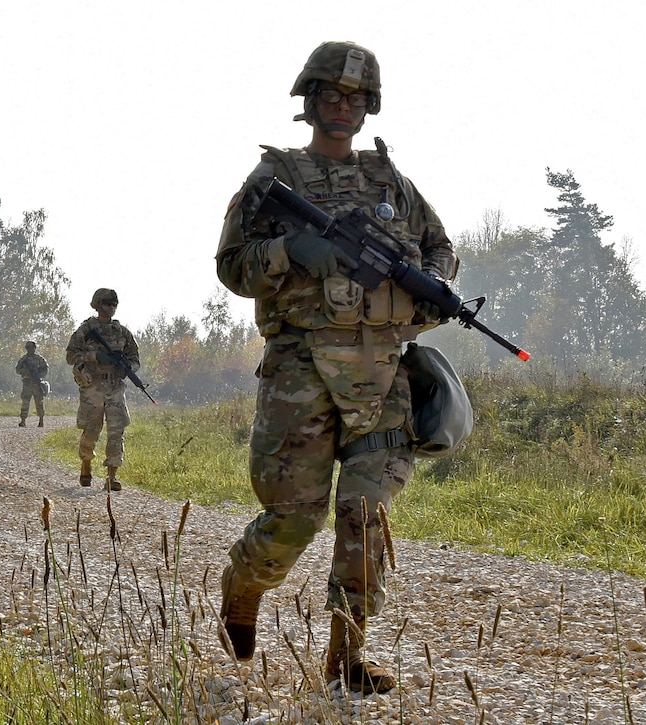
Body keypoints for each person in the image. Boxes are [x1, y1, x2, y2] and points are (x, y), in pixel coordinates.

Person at [214, 41, 458, 693]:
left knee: (365, 513)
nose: (343, 107)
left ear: (369, 107)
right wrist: (291, 248)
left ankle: (346, 659)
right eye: (331, 95)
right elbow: (232, 266)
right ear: (310, 100)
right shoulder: (275, 181)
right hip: (300, 373)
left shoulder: (390, 184)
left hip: (382, 376)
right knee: (293, 519)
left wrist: (433, 280)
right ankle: (245, 583)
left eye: (355, 98)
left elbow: (440, 249)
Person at [65, 288, 140, 492]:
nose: (111, 307)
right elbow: (71, 355)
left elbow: (134, 357)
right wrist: (95, 357)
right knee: (91, 429)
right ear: (97, 304)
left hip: (115, 387)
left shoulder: (122, 332)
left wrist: (127, 368)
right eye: (107, 303)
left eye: (114, 303)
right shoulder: (86, 330)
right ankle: (86, 464)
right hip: (92, 386)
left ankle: (112, 476)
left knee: (117, 430)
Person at [16, 340, 49, 427]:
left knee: (39, 402)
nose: (30, 349)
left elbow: (45, 369)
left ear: (34, 348)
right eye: (28, 348)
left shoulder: (39, 359)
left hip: (37, 384)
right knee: (25, 402)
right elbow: (17, 369)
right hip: (27, 383)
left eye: (32, 348)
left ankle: (41, 421)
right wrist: (24, 372)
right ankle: (23, 420)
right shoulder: (23, 360)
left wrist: (39, 375)